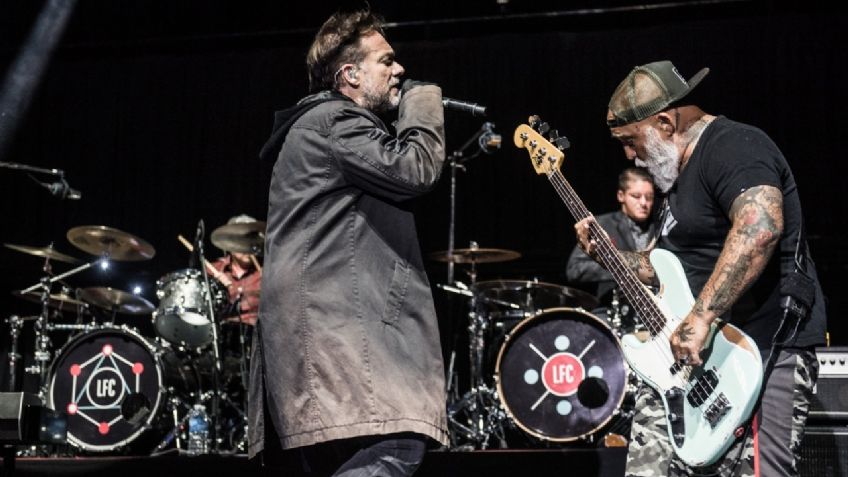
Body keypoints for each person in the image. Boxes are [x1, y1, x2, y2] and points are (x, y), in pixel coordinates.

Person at [575, 60, 826, 476]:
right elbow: (663, 269)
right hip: (691, 364)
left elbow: (759, 227)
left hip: (761, 350)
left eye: (630, 140)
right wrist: (607, 254)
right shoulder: (677, 183)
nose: (629, 155)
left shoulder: (734, 145)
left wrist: (701, 316)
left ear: (665, 123)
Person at [249, 9, 448, 477]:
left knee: (384, 448)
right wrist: (423, 102)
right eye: (387, 61)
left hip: (327, 346)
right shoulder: (334, 122)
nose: (399, 71)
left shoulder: (322, 126)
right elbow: (415, 168)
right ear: (350, 74)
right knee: (393, 446)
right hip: (338, 345)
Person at [566, 166, 656, 302]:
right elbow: (574, 270)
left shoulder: (659, 226)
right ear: (621, 196)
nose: (644, 203)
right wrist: (621, 268)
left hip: (657, 305)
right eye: (636, 196)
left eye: (649, 197)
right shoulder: (602, 224)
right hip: (613, 308)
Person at [210, 214, 263, 326]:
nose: (247, 246)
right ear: (230, 244)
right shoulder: (212, 270)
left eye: (252, 241)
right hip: (222, 339)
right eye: (242, 241)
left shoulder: (267, 272)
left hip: (258, 338)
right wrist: (217, 288)